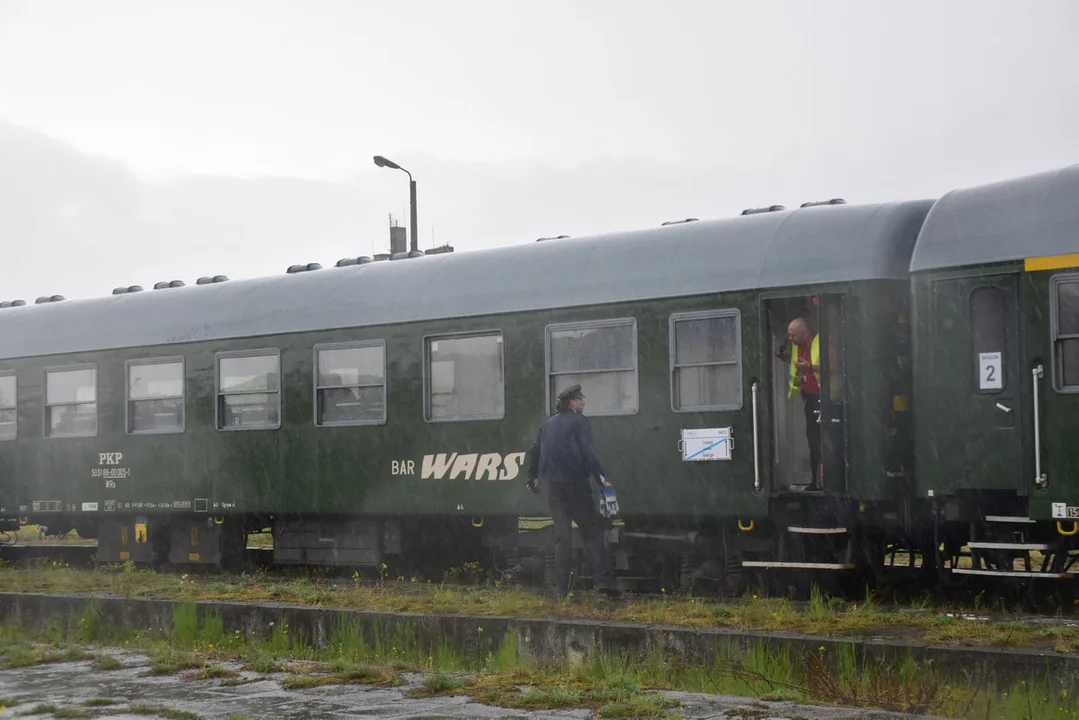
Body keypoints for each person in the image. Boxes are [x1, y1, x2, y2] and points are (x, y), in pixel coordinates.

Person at [525, 384, 621, 599]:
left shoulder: (548, 424)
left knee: (562, 538)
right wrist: (601, 479)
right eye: (581, 399)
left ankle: (562, 590)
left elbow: (534, 451)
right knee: (593, 532)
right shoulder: (580, 422)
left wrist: (532, 477)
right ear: (572, 403)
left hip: (555, 489)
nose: (584, 402)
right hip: (577, 486)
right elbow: (589, 453)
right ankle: (602, 581)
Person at [785, 317, 822, 490]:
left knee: (820, 443)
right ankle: (816, 480)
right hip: (809, 398)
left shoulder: (819, 342)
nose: (791, 339)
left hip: (824, 399)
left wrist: (809, 367)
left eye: (794, 336)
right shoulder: (795, 347)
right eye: (789, 335)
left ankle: (822, 481)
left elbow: (834, 366)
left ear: (805, 334)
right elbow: (796, 365)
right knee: (812, 442)